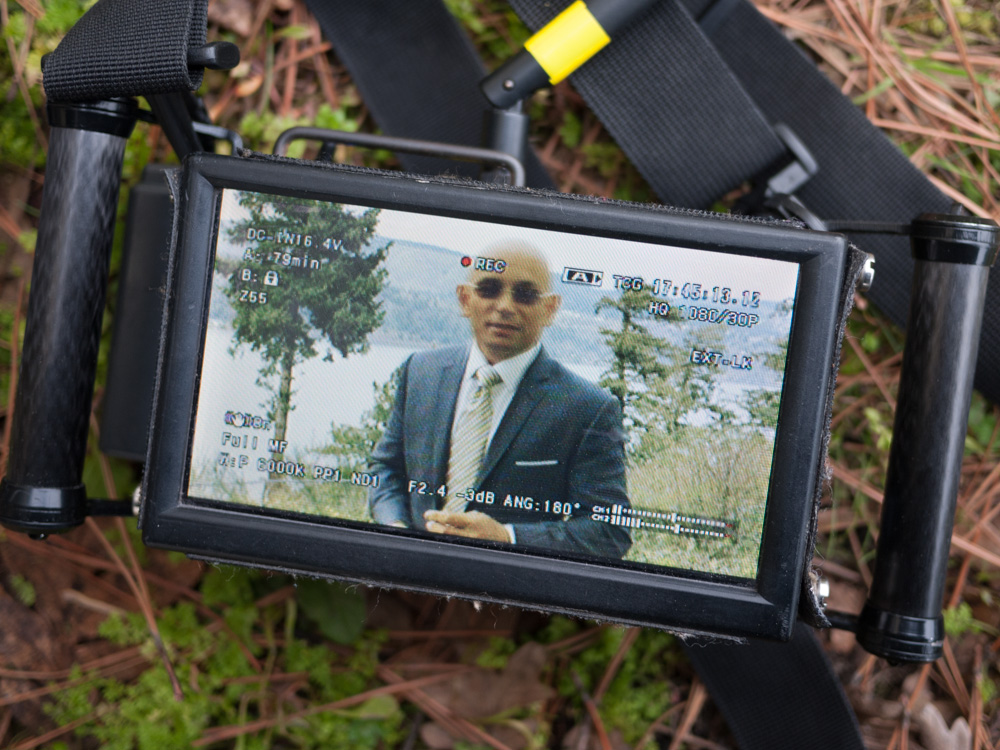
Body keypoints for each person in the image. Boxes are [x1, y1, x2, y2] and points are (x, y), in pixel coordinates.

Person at [368, 242, 631, 559]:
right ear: (465, 299)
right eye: (489, 289)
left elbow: (610, 531)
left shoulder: (588, 408)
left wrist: (507, 538)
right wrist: (395, 529)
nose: (505, 305)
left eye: (525, 294)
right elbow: (386, 470)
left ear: (550, 309)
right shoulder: (421, 372)